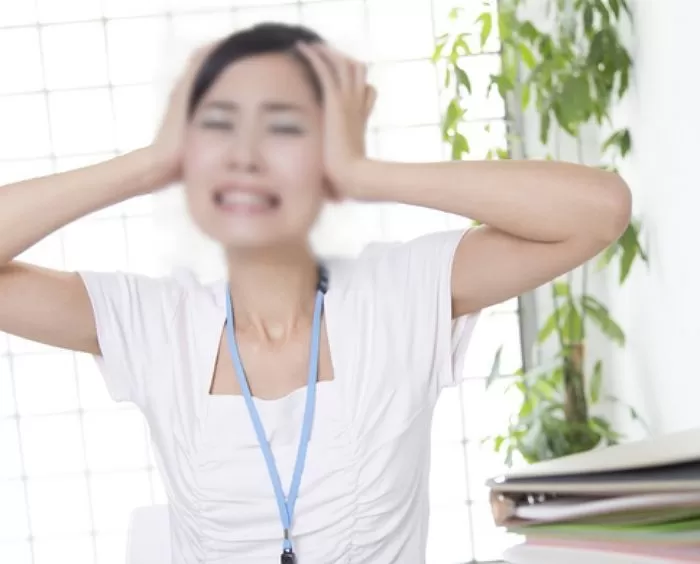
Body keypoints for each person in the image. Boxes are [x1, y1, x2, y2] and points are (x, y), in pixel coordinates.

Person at [0, 22, 631, 564]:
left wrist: (366, 174)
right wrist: (147, 163)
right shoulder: (152, 322)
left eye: (284, 131)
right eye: (219, 130)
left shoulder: (399, 293)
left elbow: (599, 211)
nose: (249, 158)